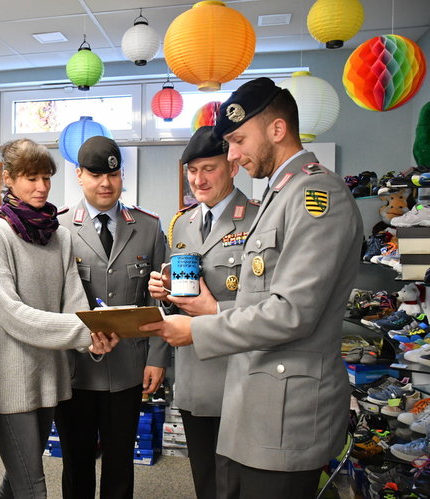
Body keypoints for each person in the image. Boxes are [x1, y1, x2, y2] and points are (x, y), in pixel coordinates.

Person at [142, 77, 363, 499]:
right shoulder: (283, 194)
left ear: (277, 130)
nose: (235, 155)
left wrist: (200, 327)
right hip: (254, 398)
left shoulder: (316, 194)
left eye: (239, 141)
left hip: (285, 408)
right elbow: (258, 298)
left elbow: (292, 312)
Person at [0, 138, 118, 499]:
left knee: (18, 477)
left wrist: (95, 339)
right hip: (9, 381)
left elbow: (74, 303)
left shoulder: (61, 235)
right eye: (30, 178)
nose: (41, 188)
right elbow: (13, 316)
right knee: (32, 486)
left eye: (46, 178)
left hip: (51, 378)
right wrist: (82, 330)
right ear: (8, 178)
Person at [55, 135, 169, 499]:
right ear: (79, 175)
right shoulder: (58, 229)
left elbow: (163, 300)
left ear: (121, 176)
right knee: (77, 462)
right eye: (95, 175)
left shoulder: (148, 227)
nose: (106, 183)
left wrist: (157, 358)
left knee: (120, 463)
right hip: (75, 370)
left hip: (128, 369)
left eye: (114, 174)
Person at [148, 126, 258, 499]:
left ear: (232, 167)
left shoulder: (258, 218)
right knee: (205, 483)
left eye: (208, 168)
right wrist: (164, 294)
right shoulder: (183, 222)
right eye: (192, 171)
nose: (199, 179)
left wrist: (213, 309)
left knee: (239, 483)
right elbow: (180, 297)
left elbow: (269, 303)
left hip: (238, 375)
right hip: (194, 374)